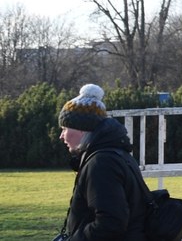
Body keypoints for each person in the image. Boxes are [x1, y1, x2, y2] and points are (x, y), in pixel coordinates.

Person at [57, 83, 148, 241]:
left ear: (81, 128)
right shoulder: (118, 154)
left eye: (65, 128)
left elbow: (110, 223)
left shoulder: (101, 163)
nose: (62, 136)